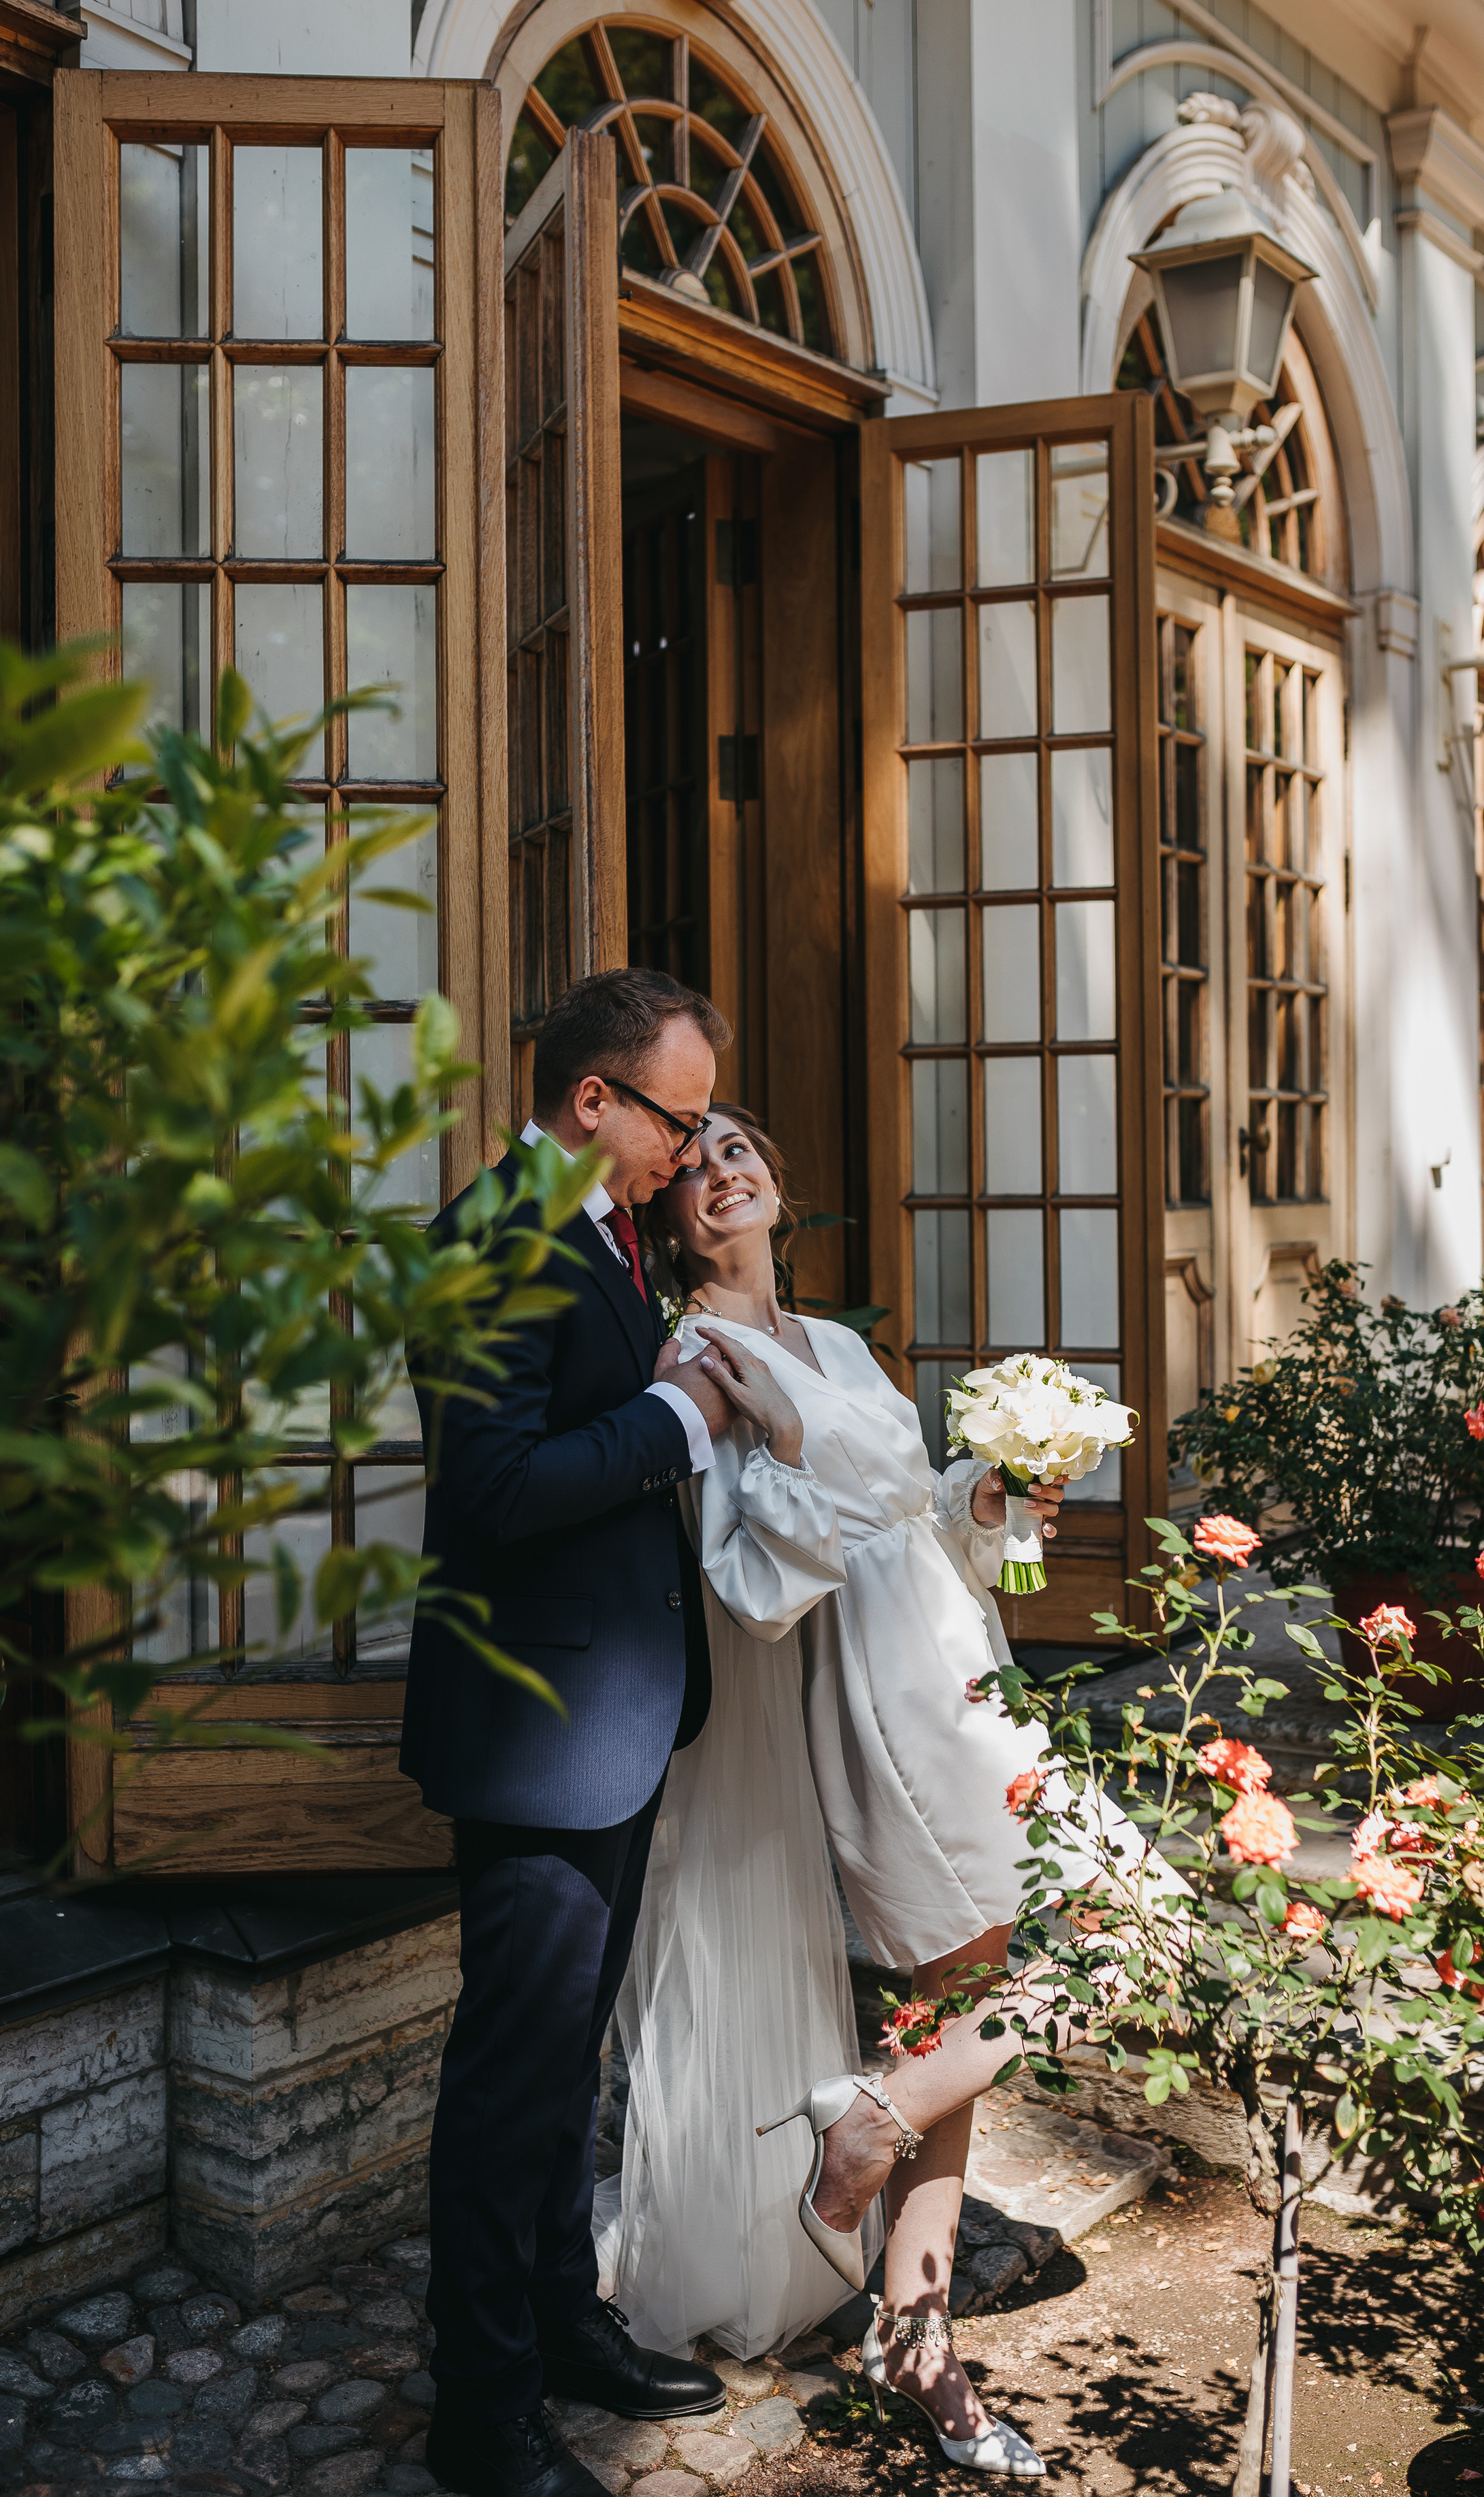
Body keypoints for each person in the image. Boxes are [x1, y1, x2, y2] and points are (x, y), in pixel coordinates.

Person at [608, 1107, 1181, 2477]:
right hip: (878, 1707)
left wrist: (993, 1491)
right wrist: (787, 1457)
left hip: (950, 1659)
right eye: (689, 1169)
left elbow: (919, 1522)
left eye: (739, 1150)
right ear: (668, 1217)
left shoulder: (847, 1347)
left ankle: (912, 2335)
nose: (719, 1172)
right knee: (1140, 1924)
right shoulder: (696, 1358)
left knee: (951, 2001)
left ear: (776, 1186)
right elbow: (747, 1593)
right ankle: (872, 2116)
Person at [401, 970, 744, 2497]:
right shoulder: (490, 1238)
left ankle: (563, 2321)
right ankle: (480, 2419)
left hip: (607, 1715)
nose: (691, 1145)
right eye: (676, 1112)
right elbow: (493, 1492)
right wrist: (672, 1422)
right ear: (593, 1100)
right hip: (537, 1730)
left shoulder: (605, 1231)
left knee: (562, 2071)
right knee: (507, 2087)